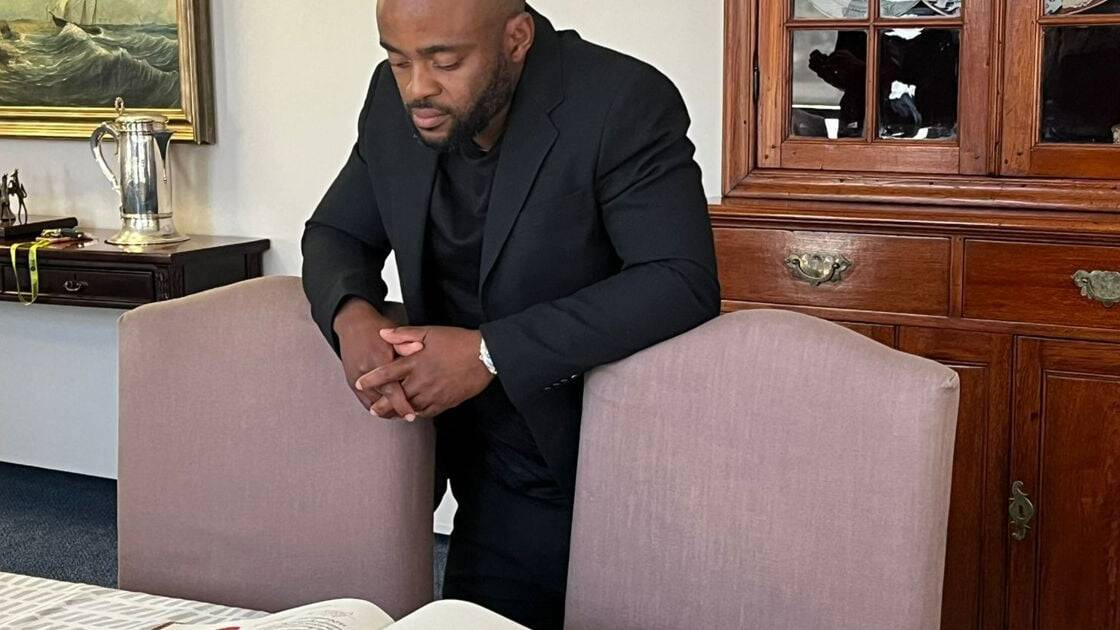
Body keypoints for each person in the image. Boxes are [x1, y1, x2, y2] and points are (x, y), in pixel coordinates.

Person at [301, 1, 719, 627]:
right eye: (398, 61)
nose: (417, 87)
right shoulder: (396, 100)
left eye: (445, 62)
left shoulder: (621, 100)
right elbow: (337, 231)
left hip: (583, 454)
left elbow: (678, 279)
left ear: (517, 37)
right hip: (468, 451)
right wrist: (352, 316)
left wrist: (488, 352)